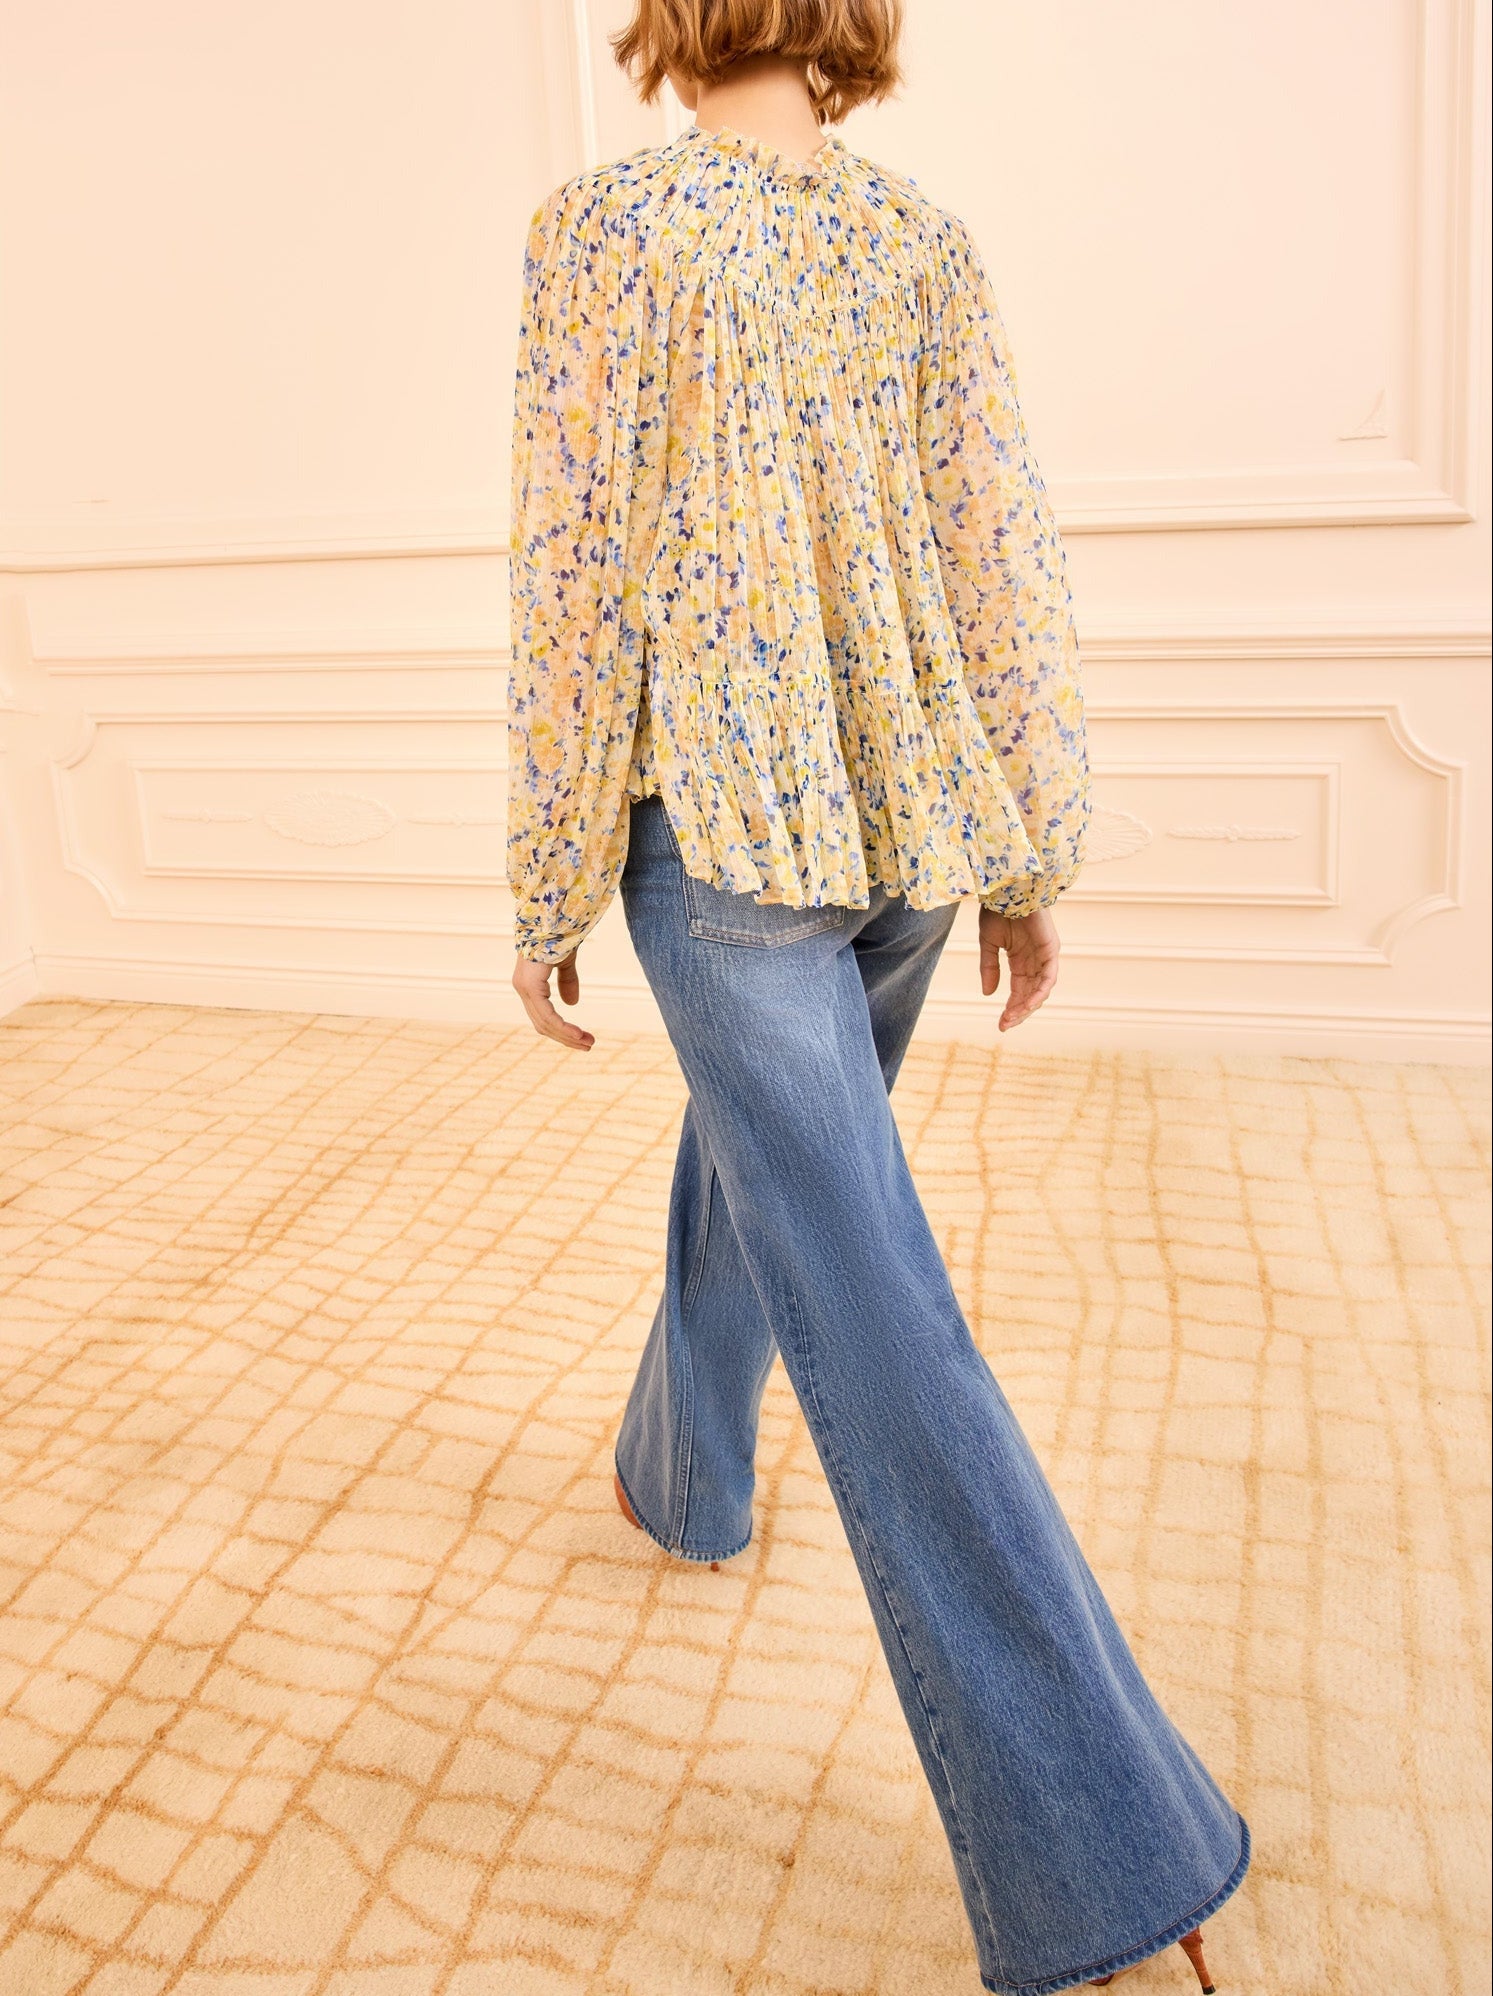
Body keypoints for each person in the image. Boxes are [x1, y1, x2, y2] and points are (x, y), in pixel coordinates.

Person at [507, 4, 1249, 1990]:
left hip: (730, 840)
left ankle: (1104, 1849)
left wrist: (548, 864)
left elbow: (571, 571)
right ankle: (681, 1473)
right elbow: (1004, 555)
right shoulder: (922, 239)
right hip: (912, 831)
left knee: (875, 1302)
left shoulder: (602, 228)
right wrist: (1021, 850)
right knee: (789, 1175)